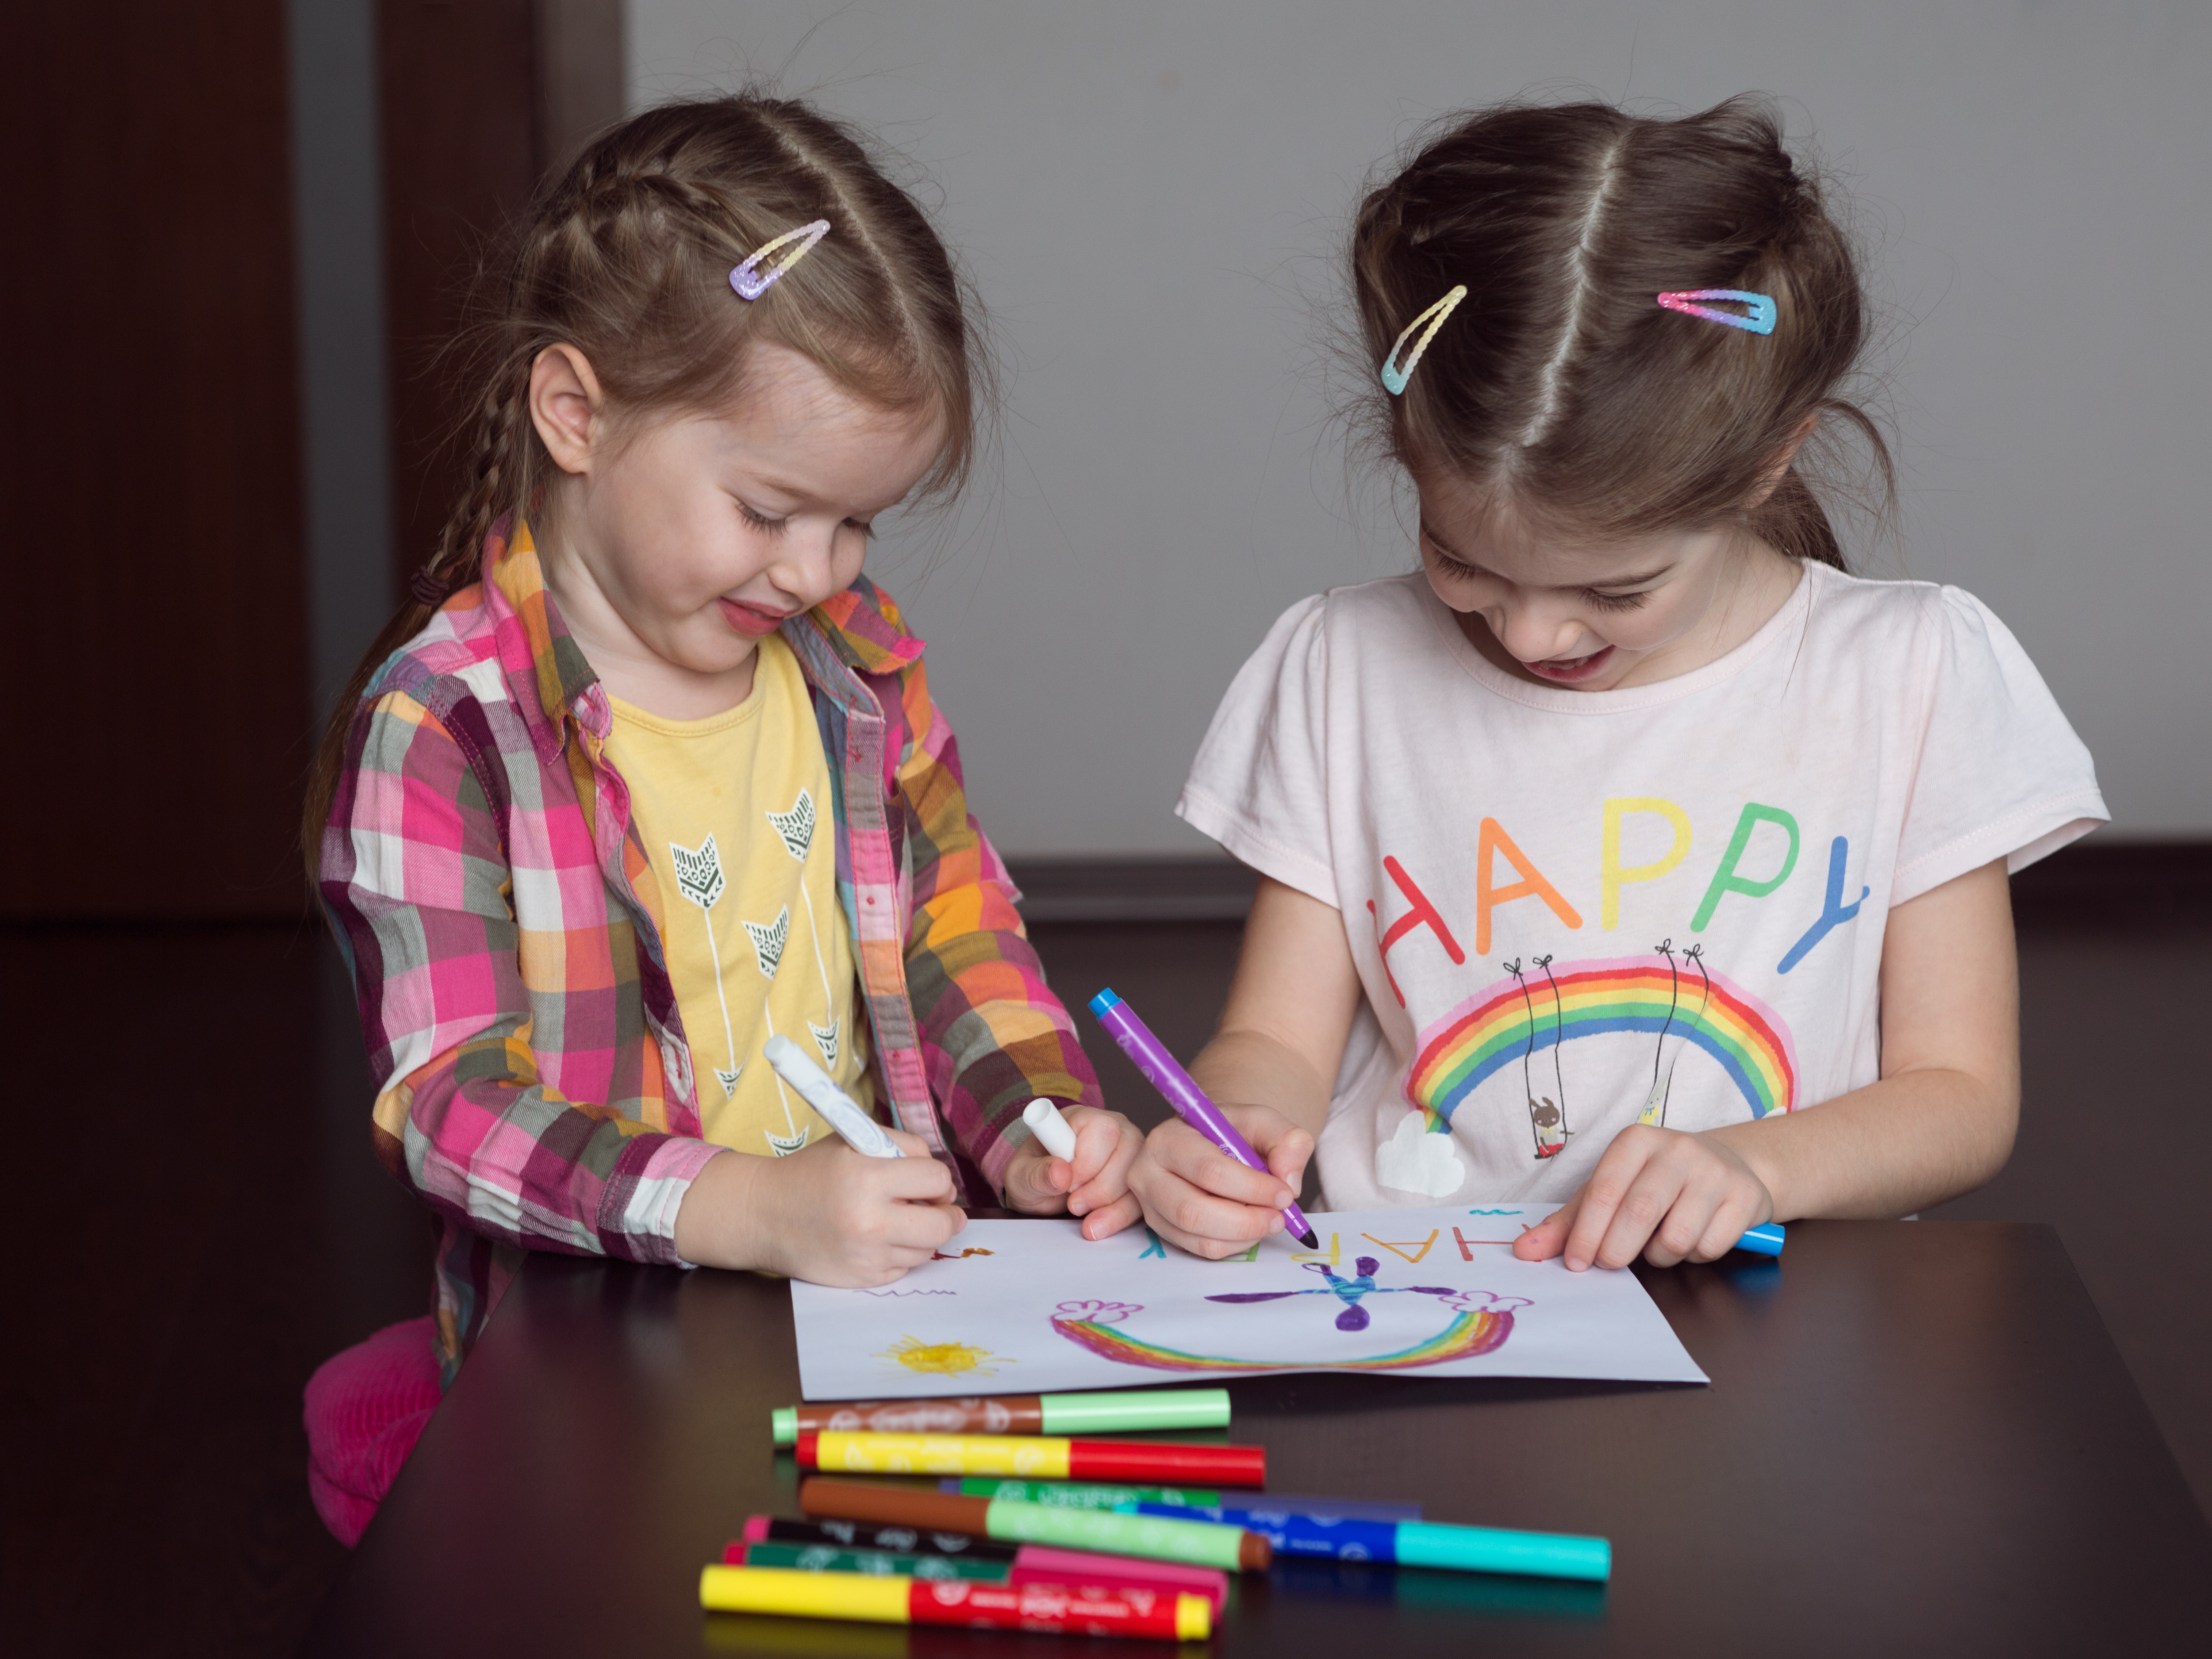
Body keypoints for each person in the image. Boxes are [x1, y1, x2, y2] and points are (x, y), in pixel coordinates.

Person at [302, 95, 1141, 1544]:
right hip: (612, 1339)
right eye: (768, 510)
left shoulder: (855, 665)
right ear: (578, 414)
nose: (817, 570)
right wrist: (739, 1208)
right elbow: (451, 1107)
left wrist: (1034, 1126)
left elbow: (951, 927)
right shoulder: (445, 729)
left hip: (859, 1314)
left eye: (858, 522)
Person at [1129, 98, 2105, 1277]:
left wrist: (1758, 1166)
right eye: (1465, 563)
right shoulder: (1343, 671)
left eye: (1619, 588)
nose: (1535, 632)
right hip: (1416, 1294)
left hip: (1774, 1305)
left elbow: (1957, 1097)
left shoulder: (1911, 674)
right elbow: (1272, 1042)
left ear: (1769, 461)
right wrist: (1228, 1129)